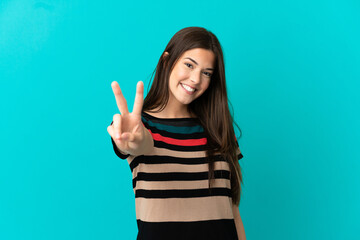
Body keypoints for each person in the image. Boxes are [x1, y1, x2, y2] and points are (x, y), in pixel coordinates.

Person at [107, 26, 246, 240]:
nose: (195, 79)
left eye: (206, 73)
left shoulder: (218, 128)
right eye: (189, 65)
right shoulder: (140, 127)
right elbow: (140, 144)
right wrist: (131, 142)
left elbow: (233, 211)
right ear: (166, 61)